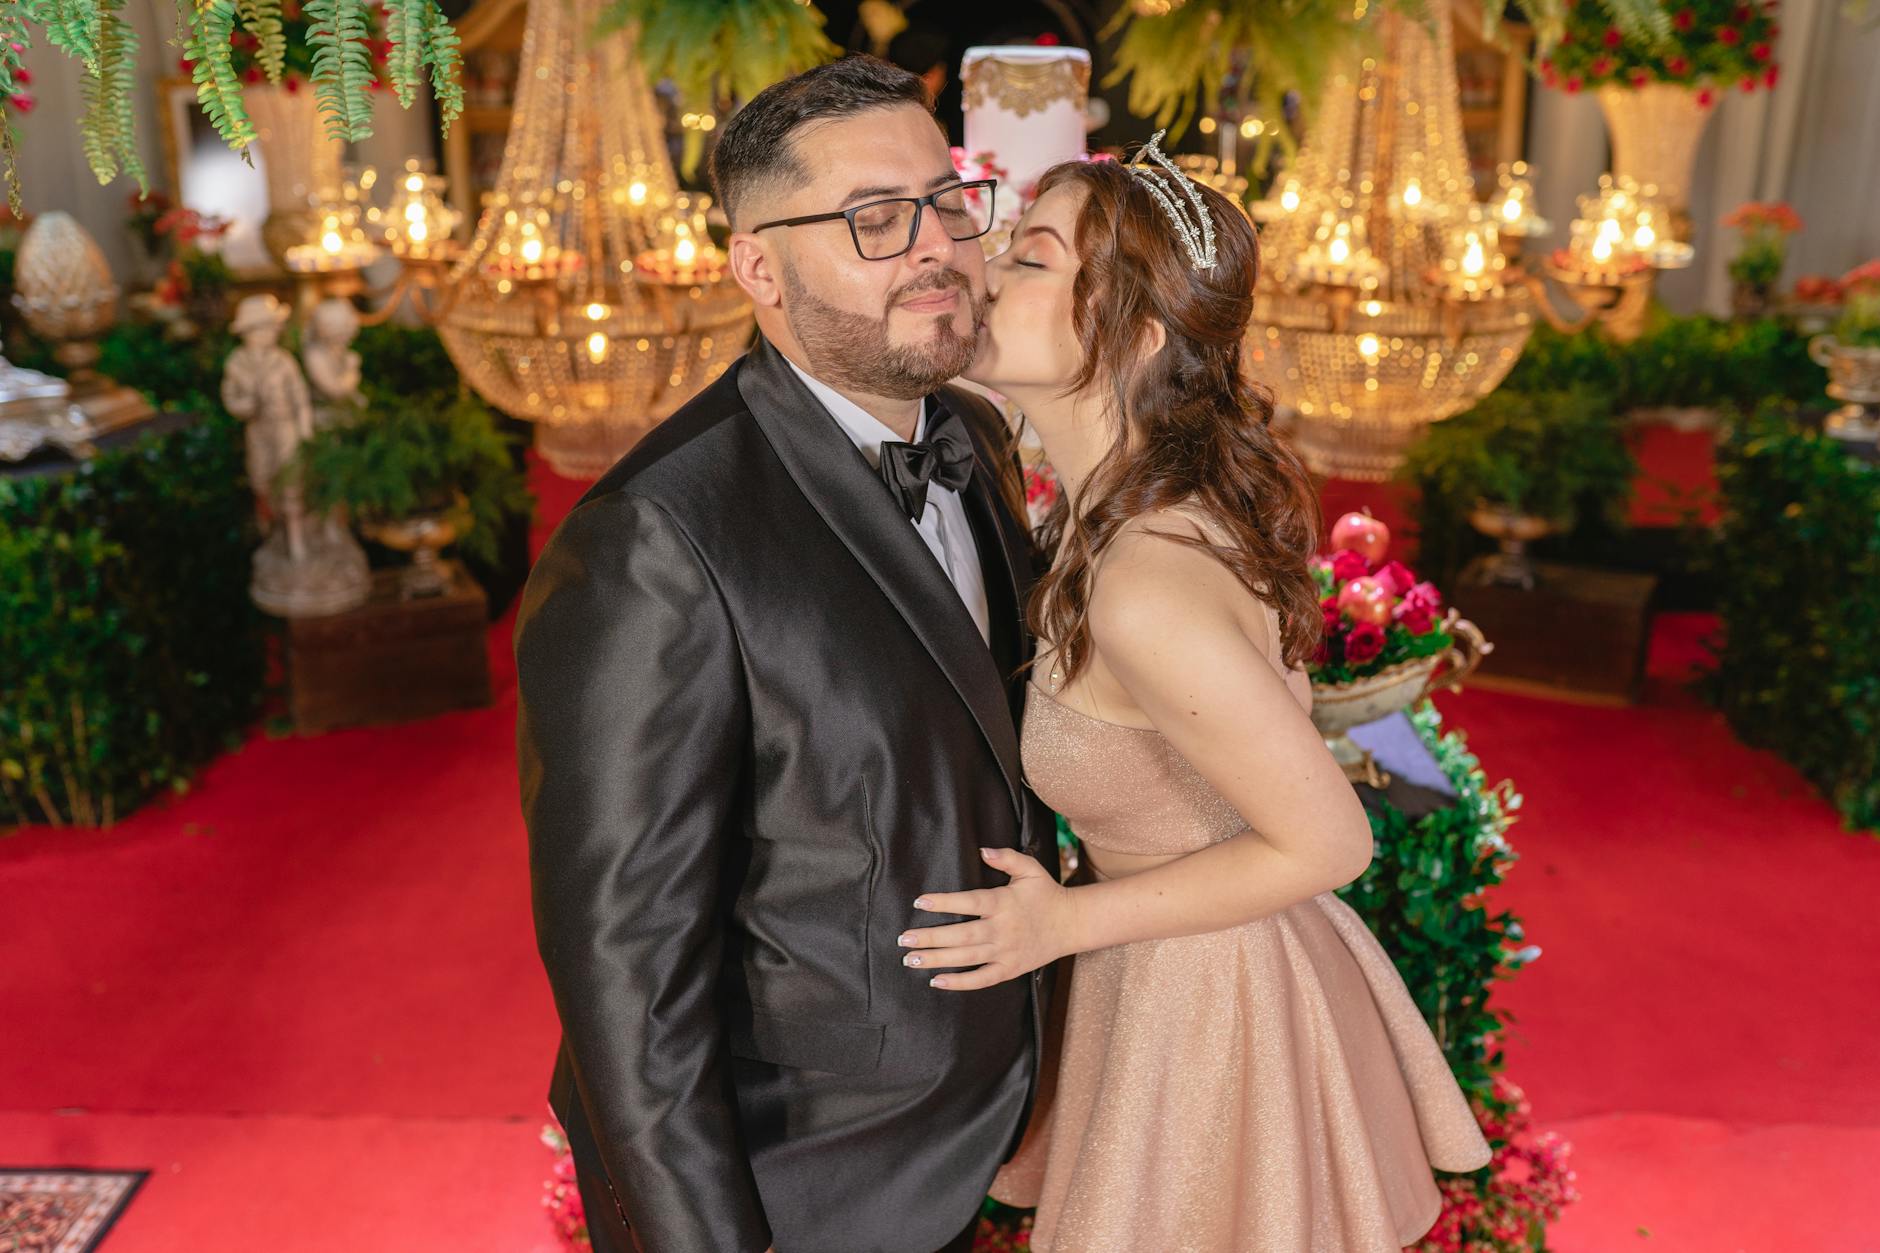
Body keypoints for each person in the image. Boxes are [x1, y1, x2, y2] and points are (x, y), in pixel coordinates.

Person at [893, 136, 1493, 1250]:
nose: (980, 272)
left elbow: (1328, 840)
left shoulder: (1144, 584)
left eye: (1026, 257)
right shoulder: (1114, 513)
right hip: (1175, 969)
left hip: (1209, 1004)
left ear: (1136, 336)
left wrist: (1064, 918)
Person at [514, 56, 1056, 1253]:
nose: (934, 246)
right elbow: (625, 968)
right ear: (757, 266)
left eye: (947, 200)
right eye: (873, 219)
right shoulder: (651, 541)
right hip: (813, 1180)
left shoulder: (968, 435)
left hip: (999, 1134)